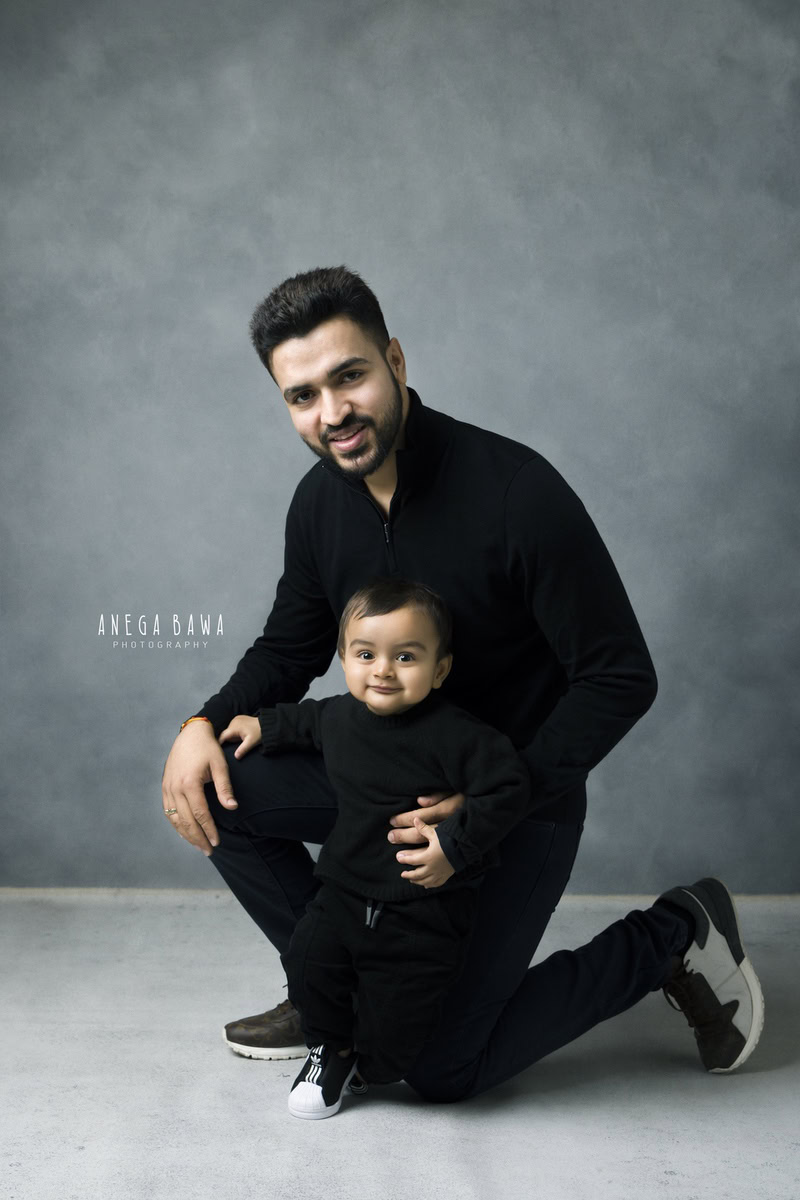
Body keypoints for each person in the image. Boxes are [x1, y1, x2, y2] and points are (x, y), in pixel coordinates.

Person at [161, 265, 763, 1103]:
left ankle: (673, 934)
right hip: (382, 791)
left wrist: (485, 814)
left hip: (519, 801)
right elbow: (287, 645)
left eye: (349, 377)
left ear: (396, 361)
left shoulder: (518, 491)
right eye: (302, 396)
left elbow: (620, 675)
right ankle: (335, 990)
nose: (332, 413)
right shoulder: (318, 506)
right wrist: (204, 720)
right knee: (217, 786)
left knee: (443, 1068)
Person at [223, 576, 531, 1118]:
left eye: (405, 656)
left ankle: (369, 1062)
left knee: (400, 1027)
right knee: (308, 962)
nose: (383, 670)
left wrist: (454, 848)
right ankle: (329, 1049)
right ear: (344, 659)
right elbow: (307, 721)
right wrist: (262, 724)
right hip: (342, 887)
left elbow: (509, 789)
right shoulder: (342, 715)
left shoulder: (459, 735)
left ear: (440, 669)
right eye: (366, 654)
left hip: (423, 905)